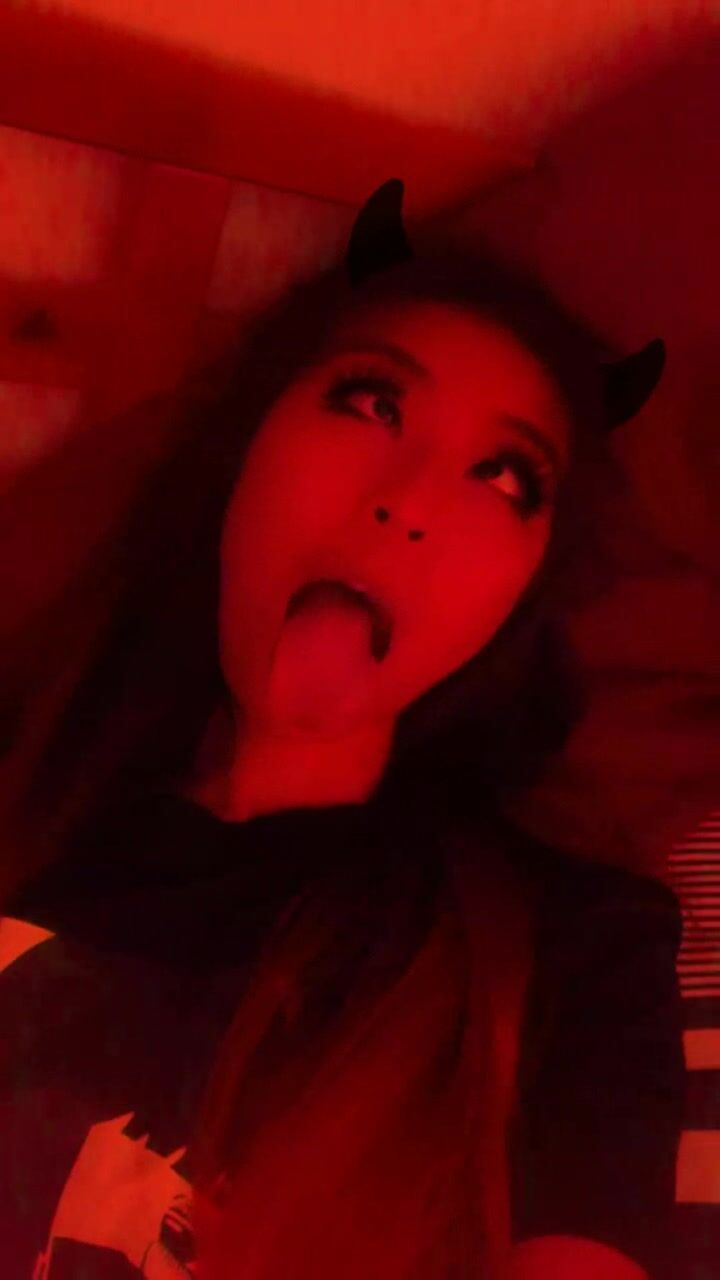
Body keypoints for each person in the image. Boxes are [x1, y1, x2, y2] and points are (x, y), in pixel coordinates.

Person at [0, 180, 685, 1280]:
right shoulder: (29, 786)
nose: (409, 502)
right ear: (244, 448)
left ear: (521, 596)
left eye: (505, 476)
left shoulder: (570, 948)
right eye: (371, 402)